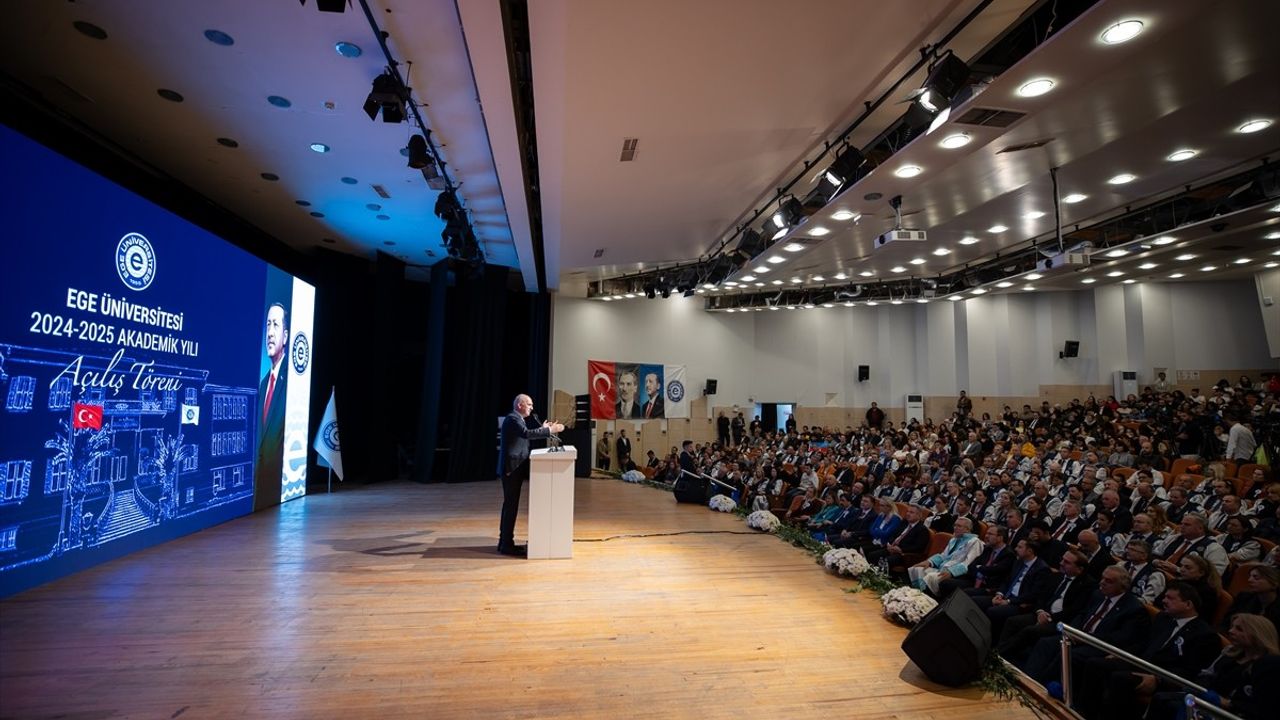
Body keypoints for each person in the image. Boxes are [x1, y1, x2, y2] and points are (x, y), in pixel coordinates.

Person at [496, 394, 563, 557]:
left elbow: (526, 434)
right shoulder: (513, 419)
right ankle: (506, 544)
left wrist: (545, 428)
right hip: (511, 469)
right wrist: (549, 430)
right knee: (510, 507)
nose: (532, 407)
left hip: (514, 468)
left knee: (510, 506)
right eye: (529, 404)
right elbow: (526, 434)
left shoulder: (516, 418)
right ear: (520, 405)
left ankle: (504, 542)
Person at [254, 302, 288, 510]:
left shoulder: (292, 379)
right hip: (261, 490)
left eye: (275, 325)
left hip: (279, 485)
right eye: (268, 325)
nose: (270, 332)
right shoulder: (263, 383)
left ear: (285, 336)